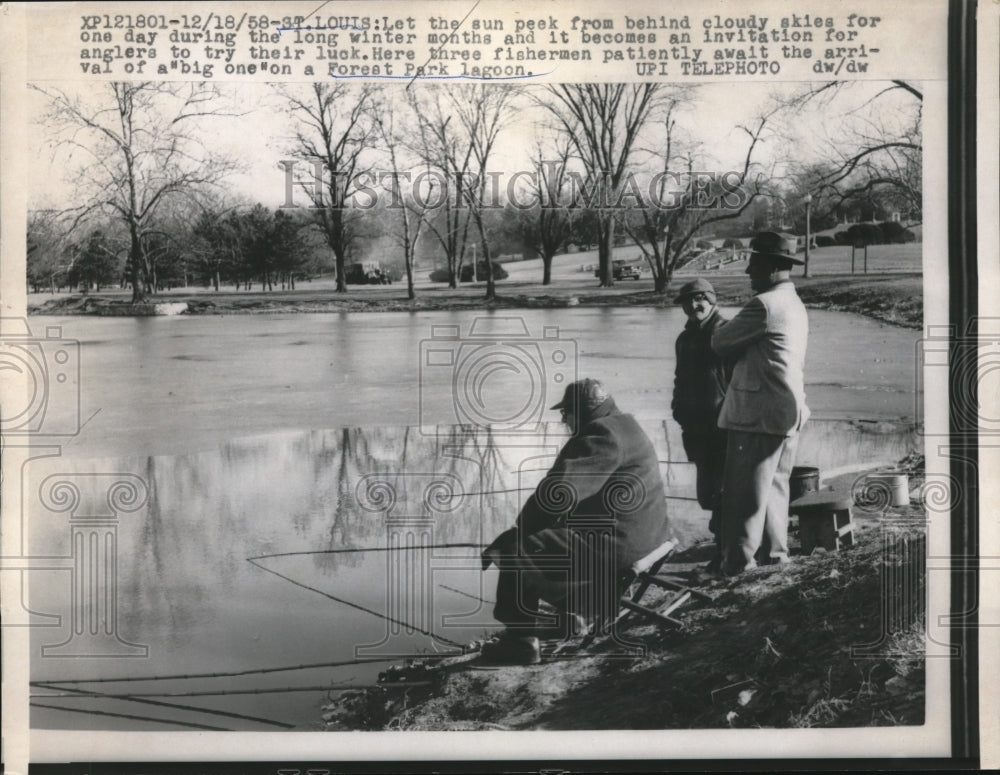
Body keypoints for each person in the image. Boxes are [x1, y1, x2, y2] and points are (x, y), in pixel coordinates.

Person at [479, 378, 671, 664]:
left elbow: (559, 492)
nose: (563, 419)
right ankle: (573, 617)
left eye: (566, 412)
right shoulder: (625, 425)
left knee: (515, 546)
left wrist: (522, 528)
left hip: (621, 545)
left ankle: (520, 641)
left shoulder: (601, 433)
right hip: (647, 536)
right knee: (551, 536)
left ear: (581, 411)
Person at [711, 231, 810, 576]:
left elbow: (720, 343)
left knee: (743, 494)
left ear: (771, 267)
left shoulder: (764, 306)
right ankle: (776, 557)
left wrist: (718, 321)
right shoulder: (793, 302)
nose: (748, 271)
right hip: (787, 411)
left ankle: (738, 565)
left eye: (753, 263)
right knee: (775, 488)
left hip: (758, 414)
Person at [671, 278, 732, 569]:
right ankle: (722, 549)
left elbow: (737, 380)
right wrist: (678, 409)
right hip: (695, 430)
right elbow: (679, 379)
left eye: (700, 299)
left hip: (722, 428)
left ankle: (724, 553)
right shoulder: (684, 339)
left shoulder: (725, 332)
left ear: (712, 300)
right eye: (688, 301)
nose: (694, 305)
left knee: (724, 493)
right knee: (707, 495)